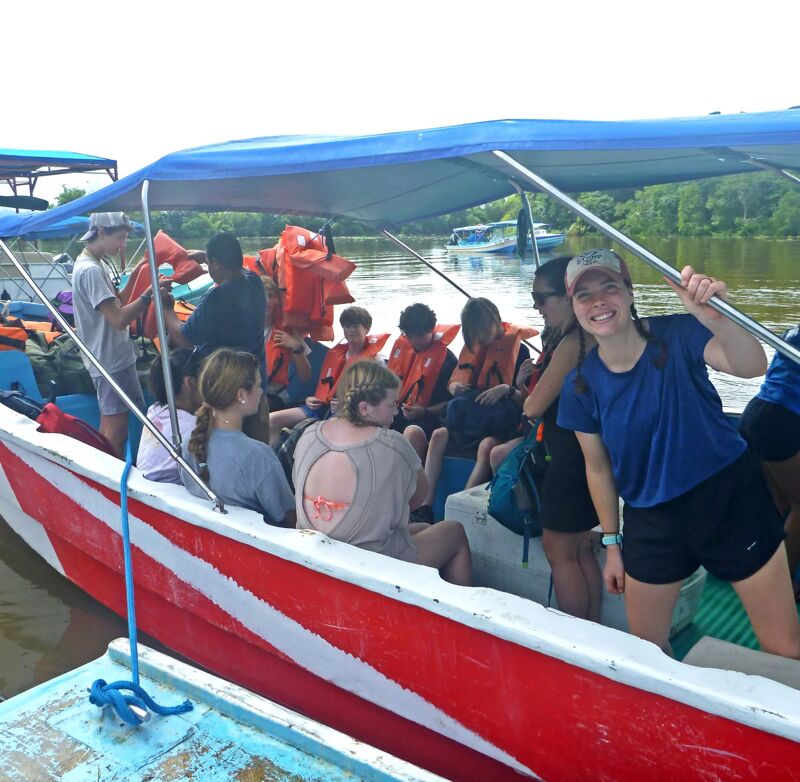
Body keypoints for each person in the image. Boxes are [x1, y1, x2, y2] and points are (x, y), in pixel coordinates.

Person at [557, 248, 800, 658]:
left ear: (630, 294)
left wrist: (715, 317)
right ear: (574, 308)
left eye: (609, 287)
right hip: (651, 517)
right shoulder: (580, 385)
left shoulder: (678, 333)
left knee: (784, 647)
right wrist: (612, 546)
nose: (598, 301)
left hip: (729, 496)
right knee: (646, 652)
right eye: (584, 295)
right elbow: (598, 470)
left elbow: (751, 365)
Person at [292, 360, 472, 585]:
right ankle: (455, 610)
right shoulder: (393, 444)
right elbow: (418, 500)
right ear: (365, 408)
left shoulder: (309, 433)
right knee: (453, 531)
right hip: (371, 563)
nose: (397, 412)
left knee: (424, 528)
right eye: (391, 405)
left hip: (317, 550)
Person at [181, 348, 295, 527]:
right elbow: (290, 520)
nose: (261, 392)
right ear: (241, 395)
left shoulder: (189, 441)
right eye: (258, 386)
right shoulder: (258, 456)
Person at [72, 212, 152, 457]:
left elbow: (119, 302)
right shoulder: (91, 271)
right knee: (116, 432)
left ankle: (105, 472)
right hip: (109, 361)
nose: (123, 245)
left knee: (109, 426)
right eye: (120, 238)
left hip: (110, 357)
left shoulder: (92, 262)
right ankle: (113, 487)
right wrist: (149, 297)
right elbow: (118, 319)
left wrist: (140, 269)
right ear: (102, 233)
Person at [268, 305, 389, 442]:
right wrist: (310, 399)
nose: (351, 330)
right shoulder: (334, 356)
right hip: (321, 408)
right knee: (271, 420)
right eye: (347, 326)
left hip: (350, 414)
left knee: (324, 432)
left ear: (366, 329)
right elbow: (323, 388)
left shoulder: (376, 361)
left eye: (356, 326)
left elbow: (381, 400)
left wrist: (347, 406)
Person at [740, 323, 800, 601]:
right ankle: (780, 594)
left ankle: (757, 579)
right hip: (781, 420)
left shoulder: (794, 330)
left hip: (758, 414)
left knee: (779, 505)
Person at [161, 233, 267, 385]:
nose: (208, 266)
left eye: (210, 263)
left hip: (227, 384)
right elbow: (236, 267)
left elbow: (185, 339)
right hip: (256, 378)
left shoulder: (216, 297)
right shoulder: (254, 281)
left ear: (216, 263)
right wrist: (206, 257)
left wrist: (167, 309)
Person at [388, 303, 458, 459]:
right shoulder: (404, 352)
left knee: (411, 433)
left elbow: (453, 403)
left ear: (431, 329)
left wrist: (425, 411)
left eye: (419, 336)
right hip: (398, 412)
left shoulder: (447, 361)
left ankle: (411, 480)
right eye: (409, 335)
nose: (413, 341)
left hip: (430, 418)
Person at [137, 348, 203, 484]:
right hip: (172, 494)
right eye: (208, 378)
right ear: (190, 383)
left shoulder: (154, 410)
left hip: (144, 485)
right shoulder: (193, 427)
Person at [262, 276, 312, 411]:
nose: (267, 301)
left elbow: (305, 376)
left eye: (271, 296)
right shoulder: (243, 330)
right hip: (246, 398)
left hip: (275, 399)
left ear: (278, 300)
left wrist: (296, 347)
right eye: (262, 295)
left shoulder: (288, 331)